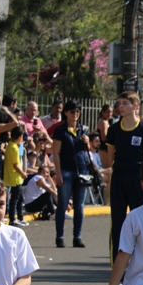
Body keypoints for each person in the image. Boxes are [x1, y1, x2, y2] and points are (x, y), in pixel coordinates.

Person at [105, 91, 143, 264]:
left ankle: (141, 264)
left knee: (140, 221)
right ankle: (117, 266)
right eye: (119, 103)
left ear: (135, 106)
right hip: (119, 178)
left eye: (125, 103)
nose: (121, 107)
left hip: (138, 179)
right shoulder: (113, 130)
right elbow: (110, 159)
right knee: (118, 222)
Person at [51, 101, 90, 248]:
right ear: (66, 113)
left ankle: (77, 237)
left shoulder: (83, 129)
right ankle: (59, 237)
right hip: (66, 170)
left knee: (79, 206)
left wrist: (87, 142)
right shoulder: (61, 130)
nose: (75, 114)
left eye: (78, 111)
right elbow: (56, 152)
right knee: (63, 204)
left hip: (82, 170)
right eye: (72, 111)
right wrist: (58, 173)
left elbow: (87, 151)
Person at [4, 127, 28, 227]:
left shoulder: (9, 145)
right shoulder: (14, 148)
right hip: (15, 177)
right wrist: (23, 173)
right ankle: (13, 219)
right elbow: (15, 165)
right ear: (20, 137)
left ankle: (20, 218)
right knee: (15, 199)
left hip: (12, 176)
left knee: (19, 198)